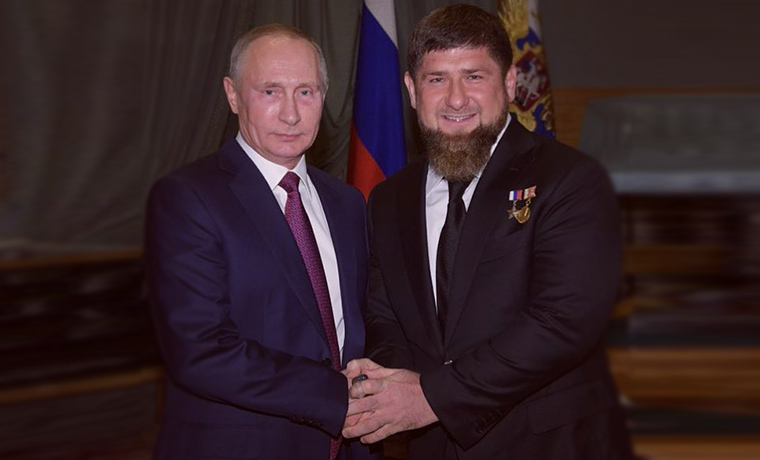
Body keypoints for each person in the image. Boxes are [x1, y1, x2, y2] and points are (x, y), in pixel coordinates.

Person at [342, 4, 634, 459]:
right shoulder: (388, 199)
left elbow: (563, 321)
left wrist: (429, 397)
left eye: (474, 76)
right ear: (412, 90)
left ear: (510, 83)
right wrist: (390, 386)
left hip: (552, 445)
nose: (456, 99)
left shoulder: (570, 180)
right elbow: (384, 315)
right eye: (437, 79)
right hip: (432, 446)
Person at [145, 24, 379, 460]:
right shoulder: (187, 198)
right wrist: (336, 395)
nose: (291, 114)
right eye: (270, 91)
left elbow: (361, 325)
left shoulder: (346, 203)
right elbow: (200, 350)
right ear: (233, 95)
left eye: (305, 92)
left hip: (351, 445)